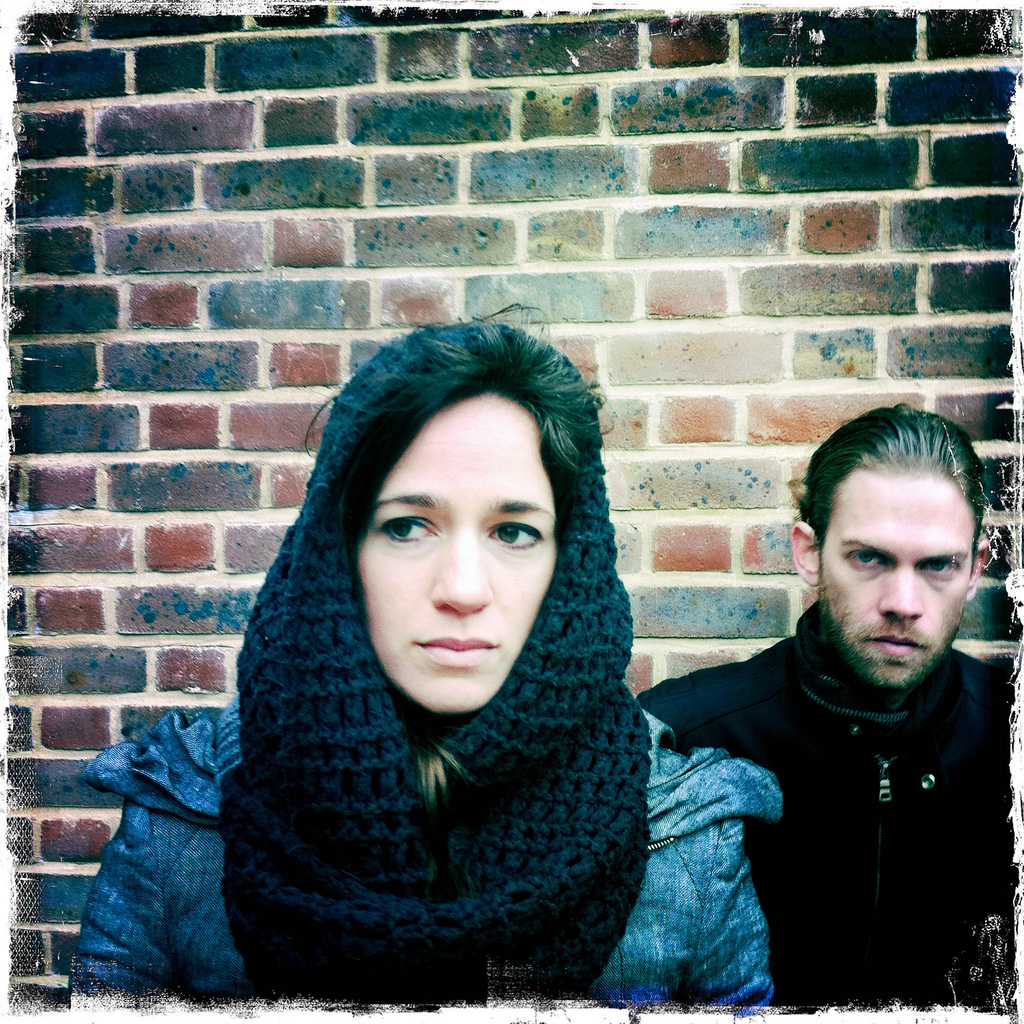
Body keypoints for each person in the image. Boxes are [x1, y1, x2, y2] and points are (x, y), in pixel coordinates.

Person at [71, 323, 781, 1005]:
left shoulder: (682, 834)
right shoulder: (184, 820)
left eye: (514, 532)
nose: (463, 589)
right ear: (340, 553)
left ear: (569, 563)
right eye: (408, 526)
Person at [639, 404, 1015, 1010]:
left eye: (938, 565)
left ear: (975, 570)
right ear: (809, 553)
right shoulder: (682, 739)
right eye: (869, 557)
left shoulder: (1009, 738)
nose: (903, 602)